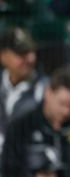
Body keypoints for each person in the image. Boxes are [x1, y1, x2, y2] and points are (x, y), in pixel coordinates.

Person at [0, 28, 46, 158]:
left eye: (32, 52)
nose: (30, 58)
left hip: (26, 170)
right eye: (22, 53)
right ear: (3, 56)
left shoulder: (45, 91)